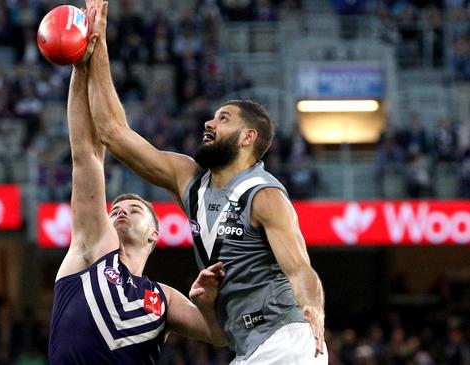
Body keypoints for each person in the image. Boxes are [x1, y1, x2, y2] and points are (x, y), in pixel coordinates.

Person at [84, 1, 327, 363]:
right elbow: (112, 133)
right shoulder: (190, 182)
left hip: (285, 340)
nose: (209, 124)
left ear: (248, 137)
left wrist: (313, 308)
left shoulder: (264, 195)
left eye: (223, 119)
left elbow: (300, 267)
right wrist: (97, 42)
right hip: (250, 347)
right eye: (212, 118)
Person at [48, 4, 228, 364]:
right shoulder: (93, 250)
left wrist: (206, 305)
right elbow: (86, 156)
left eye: (134, 209)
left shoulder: (163, 298)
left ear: (154, 234)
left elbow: (219, 337)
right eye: (116, 209)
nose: (120, 212)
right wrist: (82, 62)